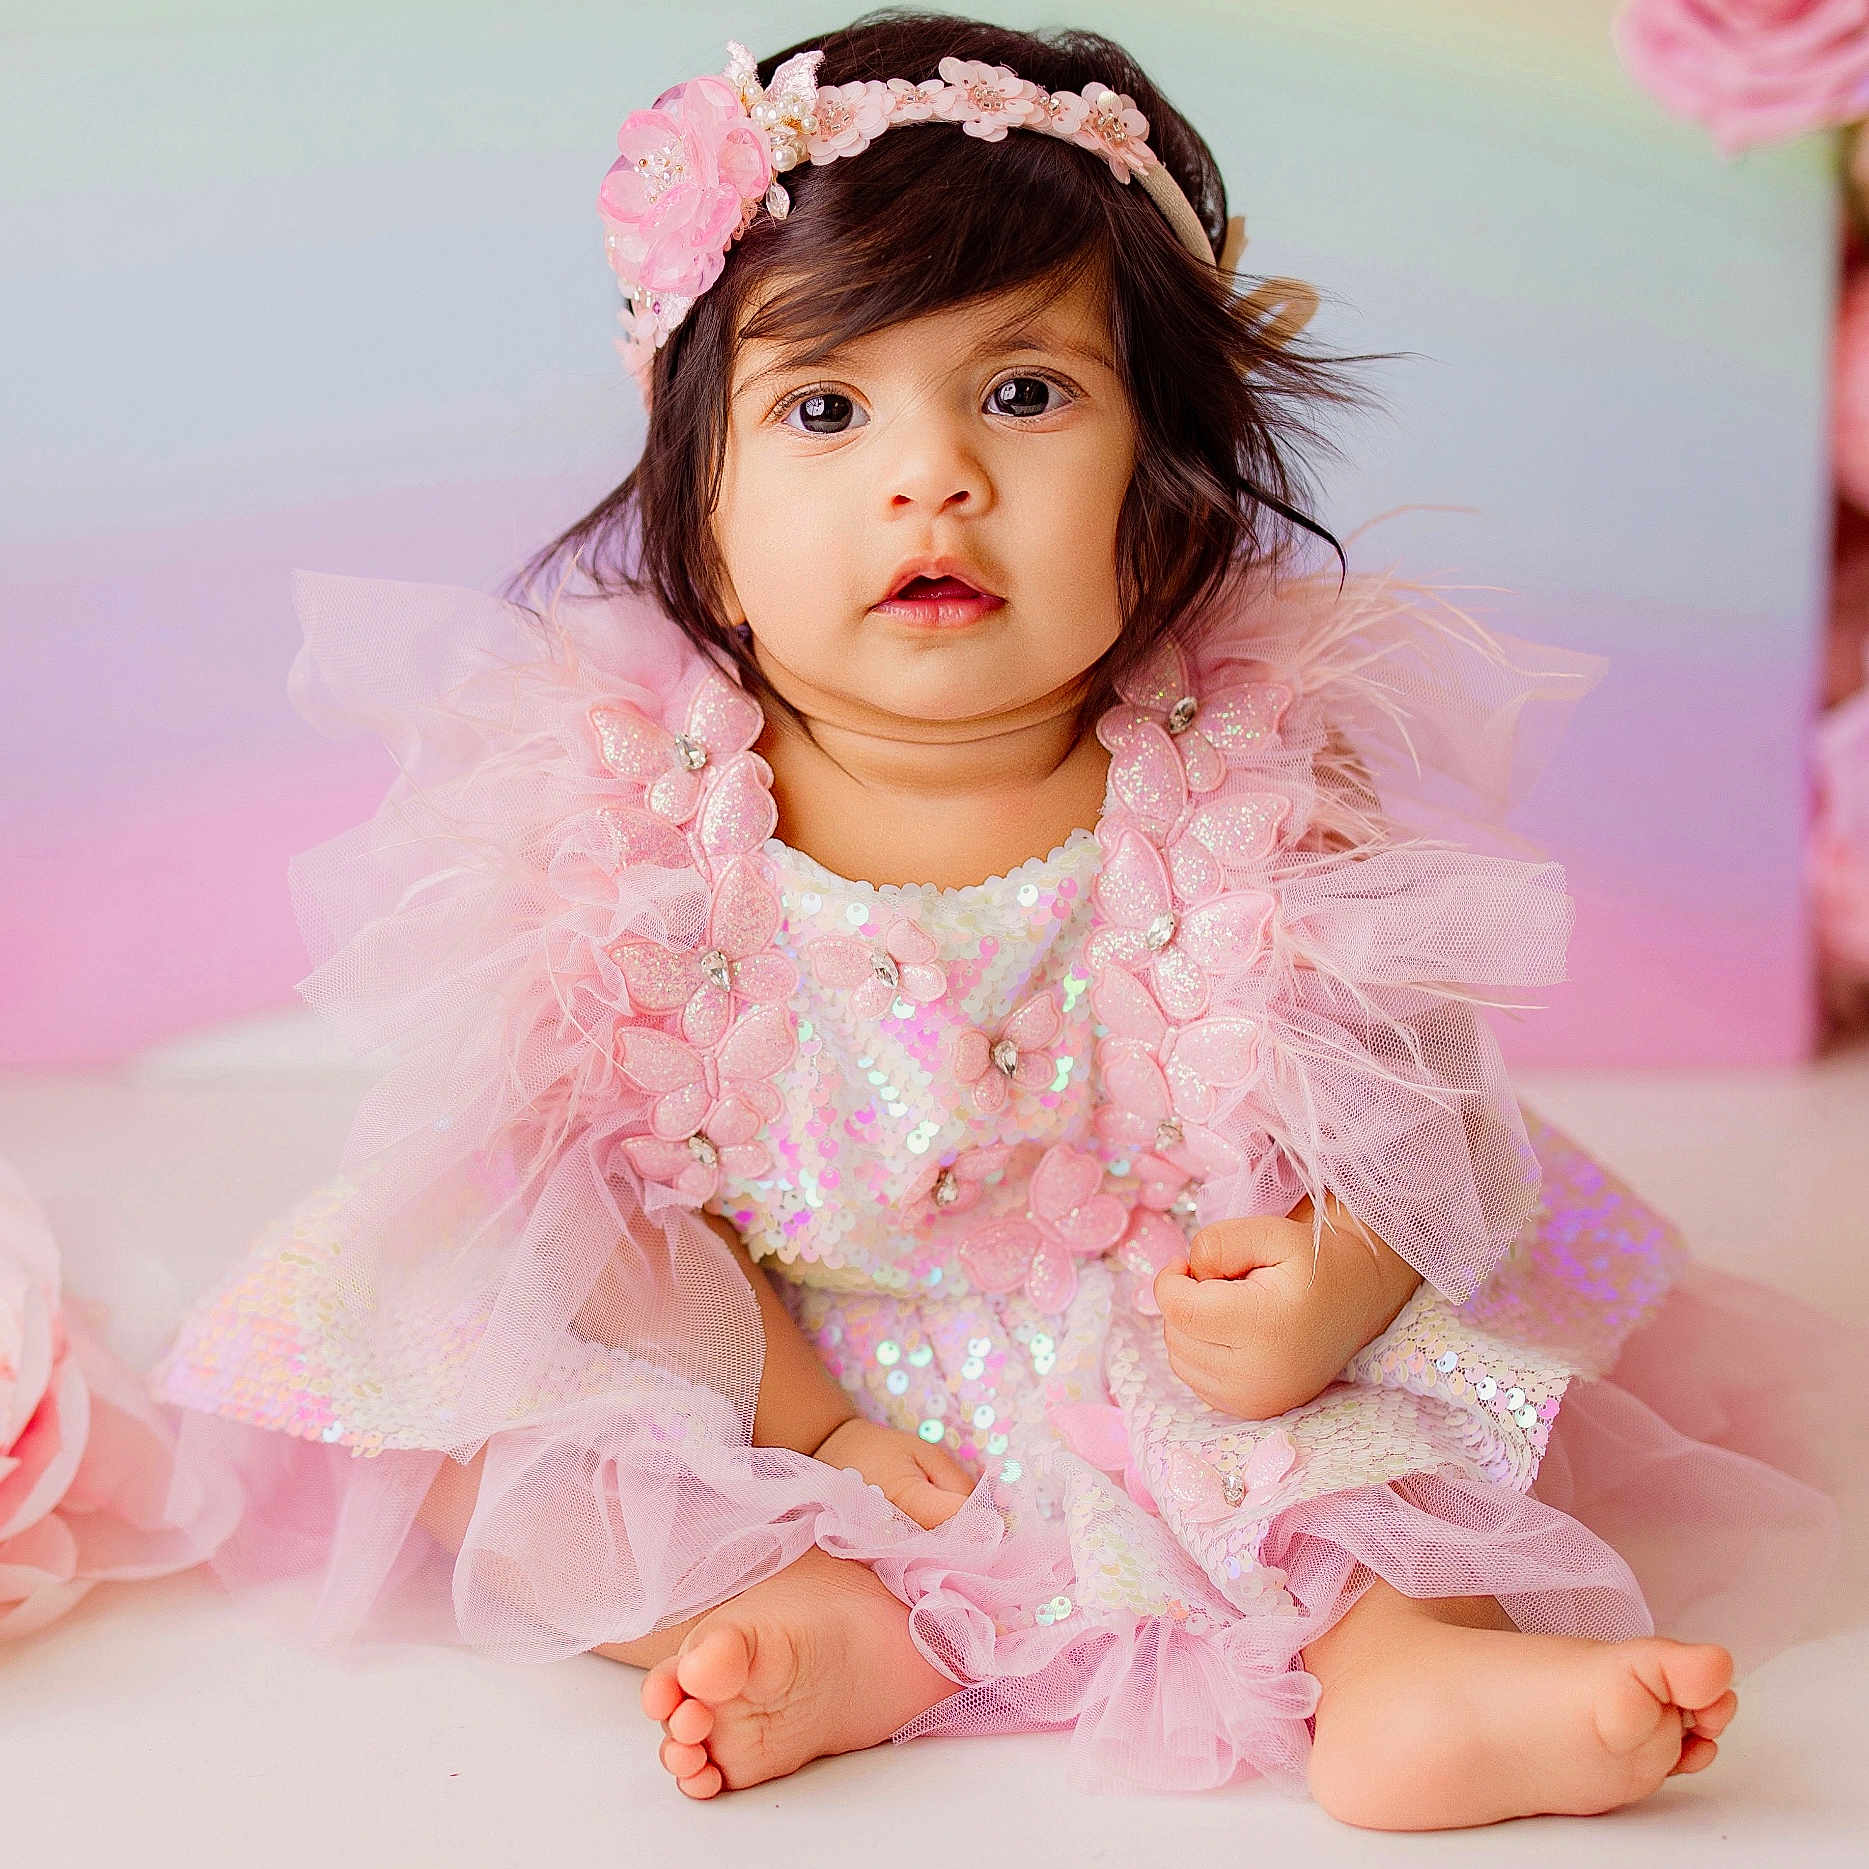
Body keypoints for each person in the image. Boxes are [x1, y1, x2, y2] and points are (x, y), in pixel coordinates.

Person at [151, 10, 1865, 1829]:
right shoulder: (639, 820)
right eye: (825, 409)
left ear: (1170, 481)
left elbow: (1397, 1089)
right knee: (480, 1384)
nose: (932, 476)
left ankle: (1401, 1669)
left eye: (1024, 393)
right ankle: (796, 1608)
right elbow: (596, 1186)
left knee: (1403, 1401)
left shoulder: (1243, 767)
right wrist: (802, 1430)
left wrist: (1327, 1283)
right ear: (698, 513)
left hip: (1170, 1338)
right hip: (770, 1344)